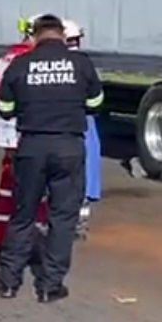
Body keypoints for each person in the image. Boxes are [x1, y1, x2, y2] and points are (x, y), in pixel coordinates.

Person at [0, 14, 105, 303]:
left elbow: (4, 108)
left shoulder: (20, 64)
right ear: (62, 35)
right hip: (68, 147)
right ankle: (49, 285)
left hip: (31, 146)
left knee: (22, 214)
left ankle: (8, 281)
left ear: (36, 36)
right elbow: (96, 104)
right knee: (62, 218)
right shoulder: (81, 63)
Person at [0, 16, 44, 259]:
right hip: (33, 134)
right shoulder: (37, 63)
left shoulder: (3, 62)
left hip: (9, 137)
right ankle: (33, 242)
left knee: (8, 190)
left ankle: (0, 239)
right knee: (38, 191)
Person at [63, 20, 101, 240]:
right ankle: (81, 222)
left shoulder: (56, 63)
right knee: (85, 171)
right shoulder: (85, 63)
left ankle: (62, 221)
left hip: (62, 125)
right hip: (85, 122)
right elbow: (96, 100)